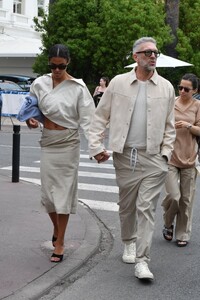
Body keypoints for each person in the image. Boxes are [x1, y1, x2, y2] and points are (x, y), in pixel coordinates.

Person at [89, 37, 176, 280]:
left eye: (155, 52)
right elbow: (99, 117)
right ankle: (128, 241)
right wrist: (96, 145)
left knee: (146, 207)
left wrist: (166, 154)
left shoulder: (166, 87)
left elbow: (170, 127)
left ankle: (142, 260)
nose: (153, 55)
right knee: (127, 206)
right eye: (147, 52)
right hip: (125, 156)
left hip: (154, 158)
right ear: (135, 56)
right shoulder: (118, 83)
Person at [26, 44, 95, 263]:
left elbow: (89, 121)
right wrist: (31, 120)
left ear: (68, 63)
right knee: (48, 196)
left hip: (68, 144)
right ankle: (57, 229)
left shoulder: (78, 88)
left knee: (63, 195)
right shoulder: (39, 84)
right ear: (49, 63)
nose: (57, 70)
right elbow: (30, 111)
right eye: (53, 66)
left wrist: (97, 148)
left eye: (61, 66)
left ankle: (61, 242)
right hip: (48, 142)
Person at [162, 73, 200, 247]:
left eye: (186, 89)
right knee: (174, 196)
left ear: (195, 90)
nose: (182, 91)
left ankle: (182, 233)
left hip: (190, 158)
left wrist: (188, 125)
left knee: (186, 200)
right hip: (170, 156)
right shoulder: (172, 103)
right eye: (180, 87)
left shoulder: (197, 106)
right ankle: (168, 223)